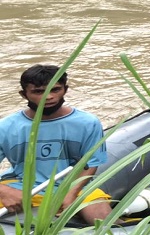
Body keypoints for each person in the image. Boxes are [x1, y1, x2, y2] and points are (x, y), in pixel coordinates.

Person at [0, 65, 112, 223]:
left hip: (73, 186)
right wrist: (4, 191)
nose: (48, 97)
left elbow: (91, 163)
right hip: (20, 185)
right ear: (24, 94)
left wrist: (71, 194)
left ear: (65, 89)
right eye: (38, 92)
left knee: (103, 220)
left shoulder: (87, 123)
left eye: (55, 89)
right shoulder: (5, 126)